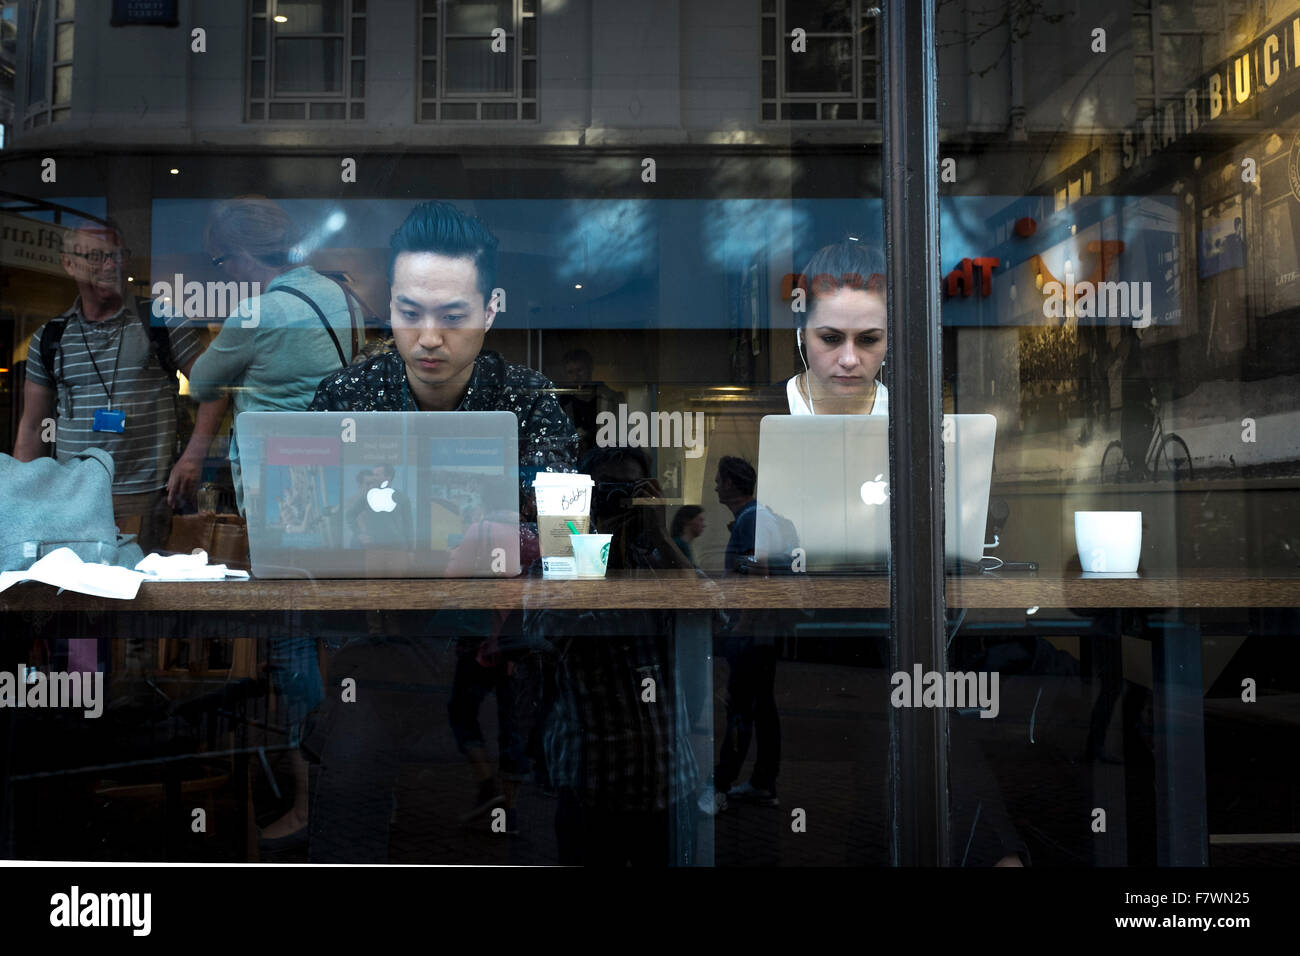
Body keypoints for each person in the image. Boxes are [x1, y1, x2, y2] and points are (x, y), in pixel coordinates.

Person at [301, 199, 579, 863]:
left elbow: (565, 524)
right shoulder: (345, 395)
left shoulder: (528, 395)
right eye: (409, 312)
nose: (430, 337)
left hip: (497, 650)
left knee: (520, 822)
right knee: (354, 782)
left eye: (453, 316)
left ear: (488, 311)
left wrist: (523, 529)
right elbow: (303, 524)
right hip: (377, 644)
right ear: (388, 306)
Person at [14, 218, 209, 554]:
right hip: (70, 501)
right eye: (96, 257)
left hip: (147, 498)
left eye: (117, 256)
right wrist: (20, 498)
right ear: (69, 263)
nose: (110, 266)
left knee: (142, 598)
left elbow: (215, 389)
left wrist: (193, 457)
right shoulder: (51, 337)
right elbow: (33, 427)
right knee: (78, 597)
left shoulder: (160, 320)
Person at [181, 197, 362, 514]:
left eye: (220, 262)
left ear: (244, 255)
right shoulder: (344, 298)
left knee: (276, 560)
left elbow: (201, 384)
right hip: (336, 464)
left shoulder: (255, 313)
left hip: (275, 476)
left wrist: (228, 351)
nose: (227, 274)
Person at [788, 239, 889, 416]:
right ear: (802, 333)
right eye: (830, 338)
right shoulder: (753, 416)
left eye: (868, 339)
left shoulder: (915, 412)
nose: (849, 360)